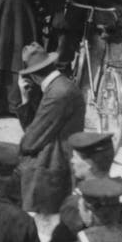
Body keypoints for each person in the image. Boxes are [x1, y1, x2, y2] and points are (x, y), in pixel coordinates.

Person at [15, 45, 84, 224]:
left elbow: (31, 140)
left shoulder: (57, 94)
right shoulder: (60, 85)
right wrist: (26, 99)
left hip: (54, 164)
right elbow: (36, 129)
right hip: (58, 157)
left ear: (33, 75)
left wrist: (22, 147)